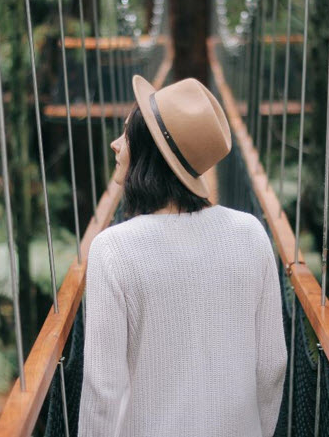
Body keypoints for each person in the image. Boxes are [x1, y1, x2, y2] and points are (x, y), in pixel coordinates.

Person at [77, 75, 287, 437]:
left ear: (147, 152)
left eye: (126, 135)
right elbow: (272, 366)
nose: (115, 144)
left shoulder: (112, 249)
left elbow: (103, 390)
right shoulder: (251, 233)